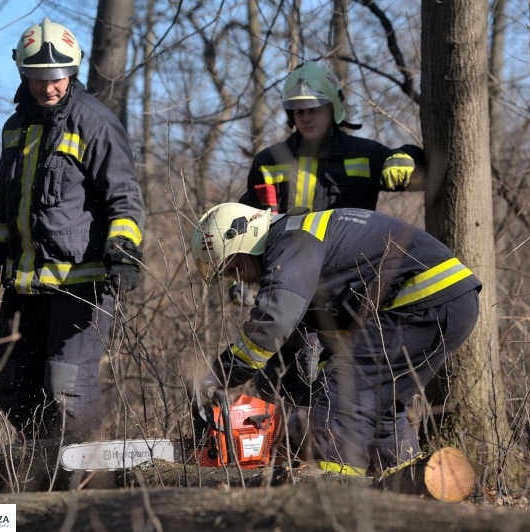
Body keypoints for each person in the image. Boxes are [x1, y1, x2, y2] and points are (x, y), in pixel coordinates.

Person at [192, 203, 481, 476]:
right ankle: (408, 492)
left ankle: (333, 502)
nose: (238, 280)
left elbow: (275, 320)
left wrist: (222, 373)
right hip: (439, 301)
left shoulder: (290, 238)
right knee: (380, 409)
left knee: (342, 393)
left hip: (426, 298)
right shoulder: (299, 247)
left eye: (234, 268)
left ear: (243, 240)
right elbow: (332, 338)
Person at [0, 18, 145, 443]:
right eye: (37, 77)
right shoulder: (14, 129)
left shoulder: (95, 122)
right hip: (23, 285)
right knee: (11, 385)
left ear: (73, 70)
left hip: (79, 286)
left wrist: (123, 250)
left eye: (57, 76)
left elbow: (124, 197)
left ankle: (82, 484)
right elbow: (5, 207)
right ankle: (42, 469)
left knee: (67, 387)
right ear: (23, 72)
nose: (48, 86)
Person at [234, 61, 426, 408]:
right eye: (297, 110)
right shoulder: (270, 160)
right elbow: (249, 224)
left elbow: (418, 167)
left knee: (340, 385)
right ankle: (285, 458)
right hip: (285, 289)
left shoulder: (364, 154)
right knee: (278, 385)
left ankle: (329, 452)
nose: (305, 116)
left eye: (313, 108)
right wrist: (240, 273)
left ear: (334, 107)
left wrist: (406, 160)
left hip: (348, 292)